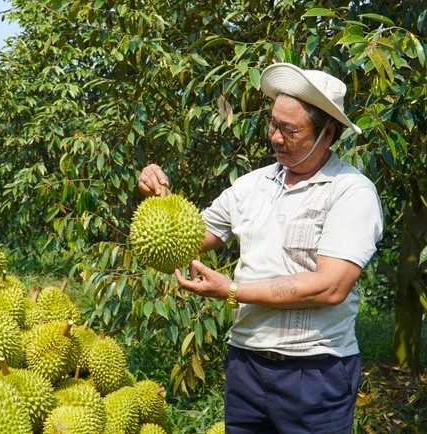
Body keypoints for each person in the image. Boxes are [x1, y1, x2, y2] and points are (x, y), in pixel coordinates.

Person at [137, 62, 383, 434]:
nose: (276, 138)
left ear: (327, 133)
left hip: (314, 372)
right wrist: (160, 195)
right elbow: (186, 240)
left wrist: (232, 291)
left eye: (290, 130)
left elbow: (332, 286)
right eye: (272, 124)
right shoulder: (252, 186)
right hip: (246, 366)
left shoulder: (351, 192)